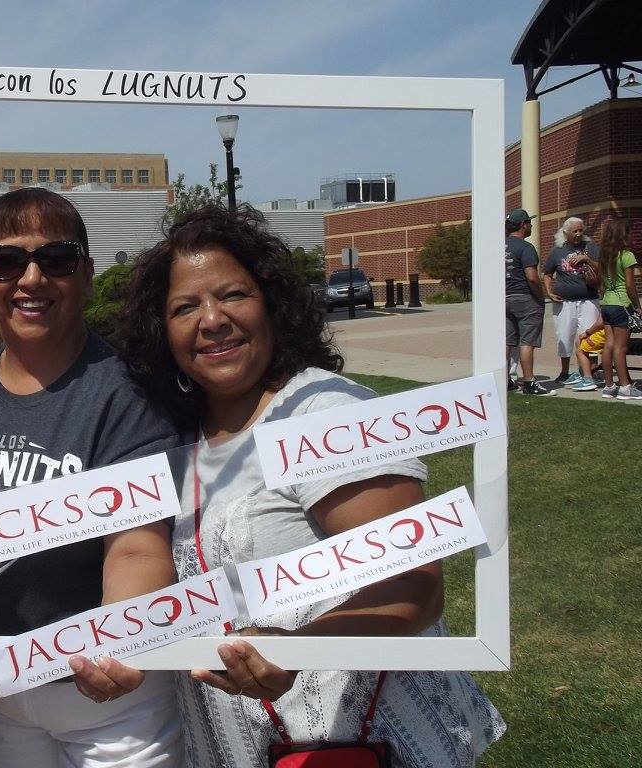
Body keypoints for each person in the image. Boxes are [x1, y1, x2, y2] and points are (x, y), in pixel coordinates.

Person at [117, 204, 505, 767]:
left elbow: (414, 584)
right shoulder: (174, 442)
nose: (212, 319)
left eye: (233, 295)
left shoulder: (325, 413)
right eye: (185, 307)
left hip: (367, 741)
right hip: (243, 748)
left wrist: (298, 648)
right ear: (164, 332)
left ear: (272, 305)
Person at [0, 187, 184, 767]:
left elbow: (135, 544)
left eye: (57, 259)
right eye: (6, 261)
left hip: (107, 698)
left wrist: (117, 643)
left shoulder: (126, 391)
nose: (31, 278)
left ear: (86, 275)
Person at [544, 216, 600, 385]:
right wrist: (549, 292)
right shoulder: (557, 251)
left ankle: (590, 372)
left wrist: (586, 259)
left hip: (589, 299)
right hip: (564, 302)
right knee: (564, 335)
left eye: (580, 230)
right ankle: (565, 372)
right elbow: (547, 274)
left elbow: (602, 268)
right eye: (574, 231)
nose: (578, 234)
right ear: (565, 232)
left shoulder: (591, 247)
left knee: (590, 336)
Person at [504, 209, 553, 395]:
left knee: (507, 341)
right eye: (529, 223)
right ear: (523, 225)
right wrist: (541, 297)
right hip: (525, 298)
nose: (531, 226)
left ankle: (505, 379)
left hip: (504, 299)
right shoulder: (526, 248)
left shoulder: (499, 246)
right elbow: (532, 277)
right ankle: (529, 382)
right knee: (527, 342)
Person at [594, 217, 641, 400]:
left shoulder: (605, 256)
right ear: (624, 235)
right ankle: (625, 387)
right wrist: (637, 305)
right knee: (621, 348)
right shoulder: (627, 255)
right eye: (630, 233)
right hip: (621, 304)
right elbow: (630, 285)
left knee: (609, 345)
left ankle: (609, 386)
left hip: (606, 304)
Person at [571, 315, 605, 392]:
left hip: (606, 333)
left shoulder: (608, 303)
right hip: (619, 333)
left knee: (580, 350)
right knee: (579, 342)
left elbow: (601, 322)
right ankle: (588, 375)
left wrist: (587, 332)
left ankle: (588, 380)